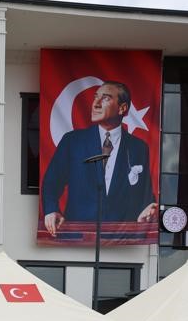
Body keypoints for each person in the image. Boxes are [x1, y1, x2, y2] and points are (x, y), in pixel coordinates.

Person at [41, 81, 157, 237]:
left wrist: (147, 209)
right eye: (96, 97)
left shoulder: (139, 147)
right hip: (77, 236)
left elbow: (144, 193)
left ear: (122, 108)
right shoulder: (72, 141)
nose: (95, 104)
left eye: (105, 98)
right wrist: (51, 210)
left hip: (121, 238)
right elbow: (51, 182)